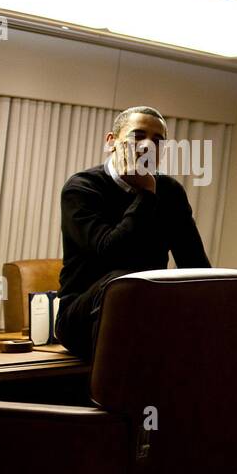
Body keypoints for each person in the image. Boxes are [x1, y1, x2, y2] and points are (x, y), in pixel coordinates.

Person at [54, 106, 211, 360]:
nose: (148, 146)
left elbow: (195, 264)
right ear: (111, 142)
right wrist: (146, 194)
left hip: (148, 310)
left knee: (198, 290)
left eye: (158, 141)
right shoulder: (81, 188)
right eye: (138, 136)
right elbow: (111, 253)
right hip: (81, 317)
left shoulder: (170, 191)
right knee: (124, 282)